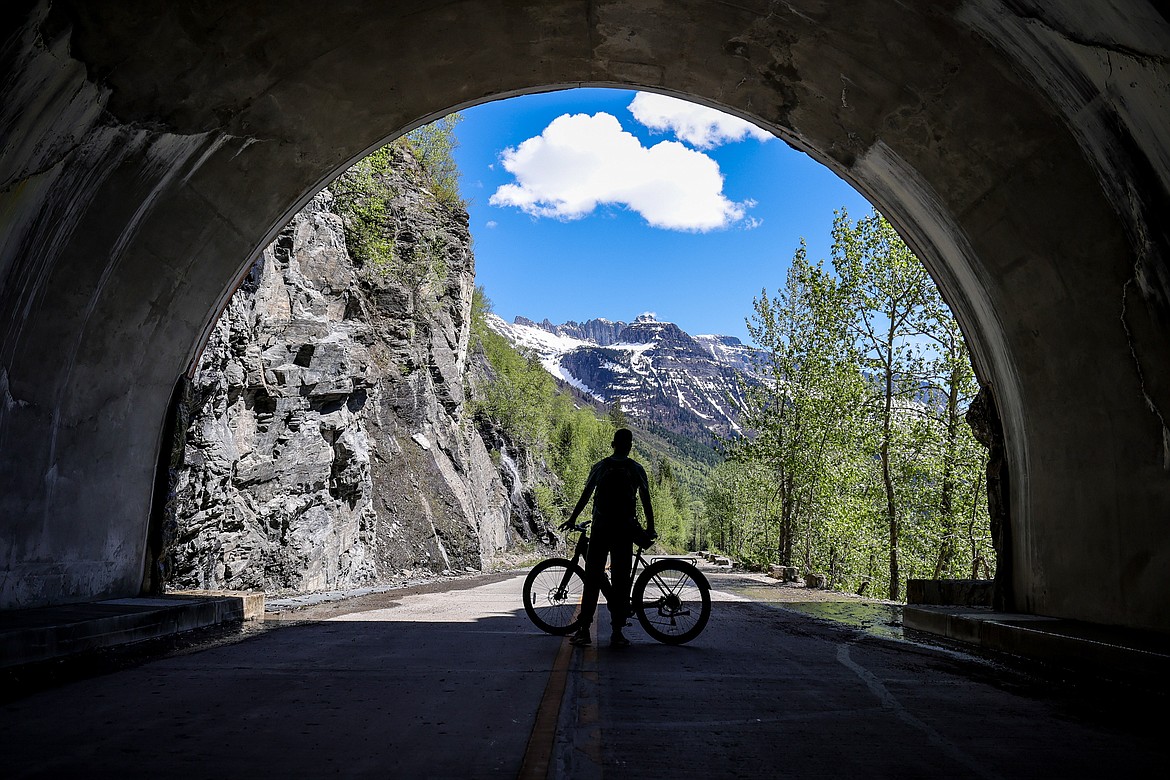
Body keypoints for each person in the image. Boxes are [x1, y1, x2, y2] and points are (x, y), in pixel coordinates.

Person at [559, 427, 655, 648]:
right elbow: (646, 500)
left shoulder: (601, 467)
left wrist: (573, 518)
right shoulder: (636, 469)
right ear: (629, 446)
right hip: (624, 532)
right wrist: (650, 528)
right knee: (621, 581)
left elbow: (586, 494)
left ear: (613, 444)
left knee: (592, 580)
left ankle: (584, 630)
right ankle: (617, 632)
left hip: (601, 530)